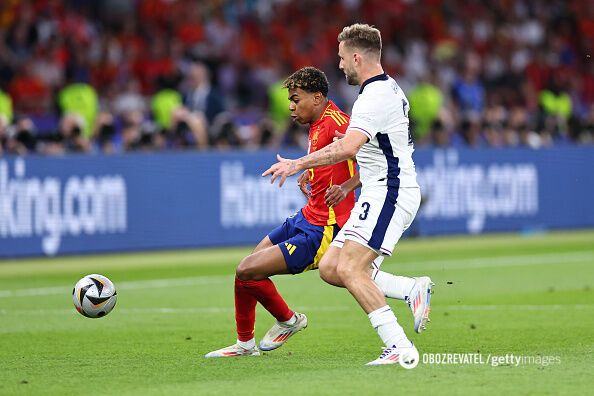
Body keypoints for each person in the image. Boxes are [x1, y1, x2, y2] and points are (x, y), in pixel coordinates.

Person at [206, 66, 420, 358]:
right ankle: (250, 341)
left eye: (296, 99)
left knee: (248, 270)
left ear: (317, 97)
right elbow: (328, 158)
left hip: (325, 228)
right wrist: (312, 172)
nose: (291, 107)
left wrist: (345, 186)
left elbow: (372, 159)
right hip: (308, 215)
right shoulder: (317, 123)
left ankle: (288, 321)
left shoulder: (338, 122)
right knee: (246, 271)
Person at [263, 24, 433, 367]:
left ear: (357, 57)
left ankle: (398, 346)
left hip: (391, 192)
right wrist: (348, 185)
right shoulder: (385, 90)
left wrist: (299, 163)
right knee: (330, 267)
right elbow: (374, 150)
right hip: (377, 189)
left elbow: (349, 147)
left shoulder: (375, 96)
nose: (340, 66)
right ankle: (409, 288)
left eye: (342, 58)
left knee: (352, 268)